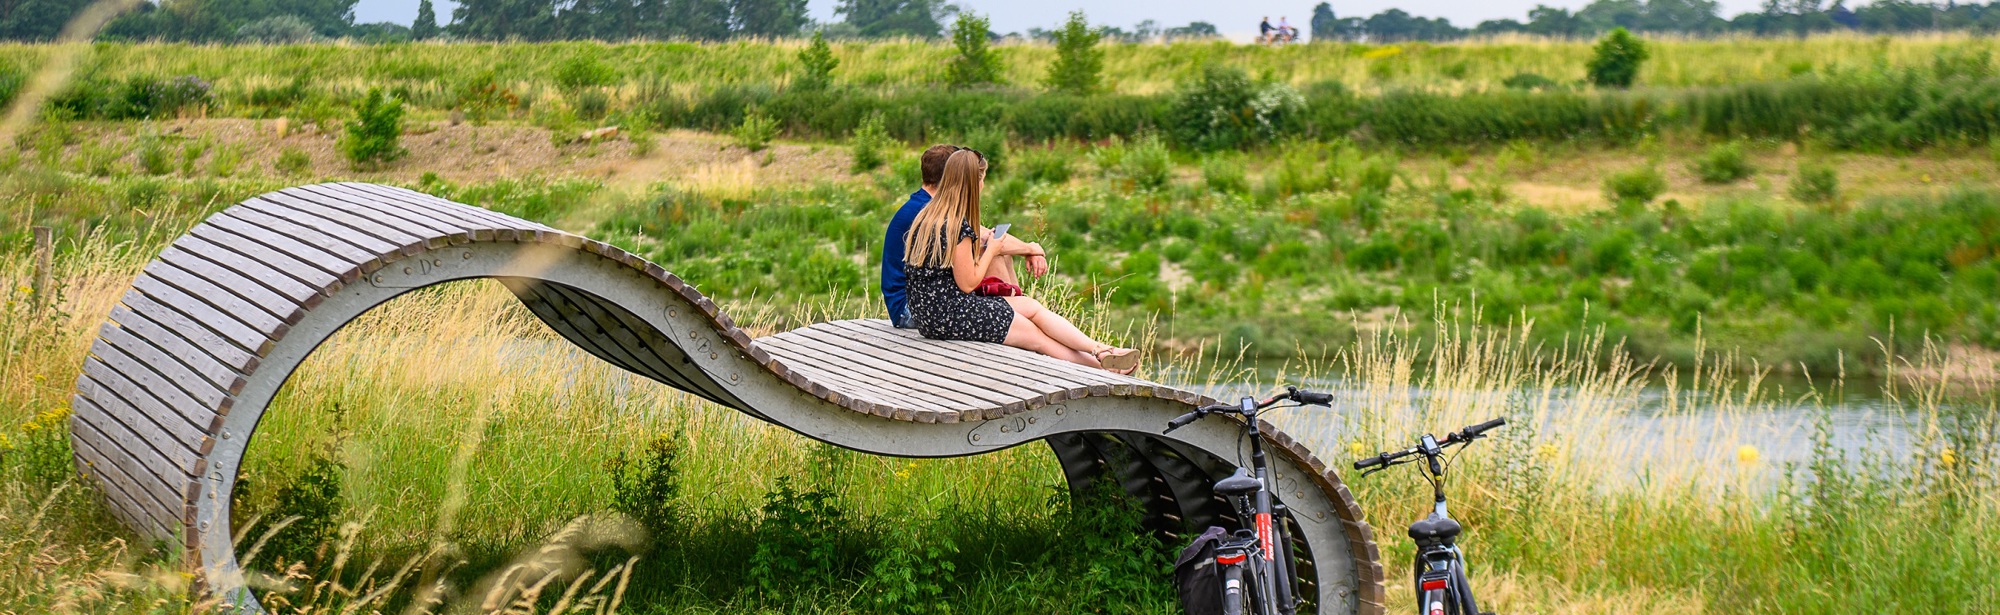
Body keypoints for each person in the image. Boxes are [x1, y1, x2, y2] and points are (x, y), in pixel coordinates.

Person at [902, 150, 1139, 373]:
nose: (983, 185)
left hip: (930, 314)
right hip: (950, 316)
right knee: (1036, 338)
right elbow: (967, 283)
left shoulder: (927, 214)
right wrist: (992, 251)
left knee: (1031, 307)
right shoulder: (956, 226)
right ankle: (1105, 370)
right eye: (982, 179)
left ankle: (1101, 350)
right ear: (973, 184)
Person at [881, 144, 1046, 329]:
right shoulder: (926, 211)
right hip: (912, 309)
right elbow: (987, 238)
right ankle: (1017, 321)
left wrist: (1026, 250)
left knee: (998, 252)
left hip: (925, 301)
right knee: (990, 253)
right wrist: (1032, 249)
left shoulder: (927, 204)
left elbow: (987, 235)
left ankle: (1020, 318)